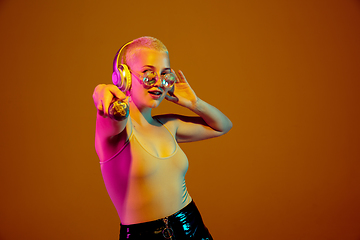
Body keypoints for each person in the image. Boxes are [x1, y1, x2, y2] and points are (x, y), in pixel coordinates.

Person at [92, 36, 232, 240]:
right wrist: (101, 90)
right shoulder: (116, 132)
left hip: (192, 227)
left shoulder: (169, 125)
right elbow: (115, 112)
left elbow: (222, 127)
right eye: (148, 74)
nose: (158, 82)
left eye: (165, 75)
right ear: (124, 77)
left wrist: (195, 103)